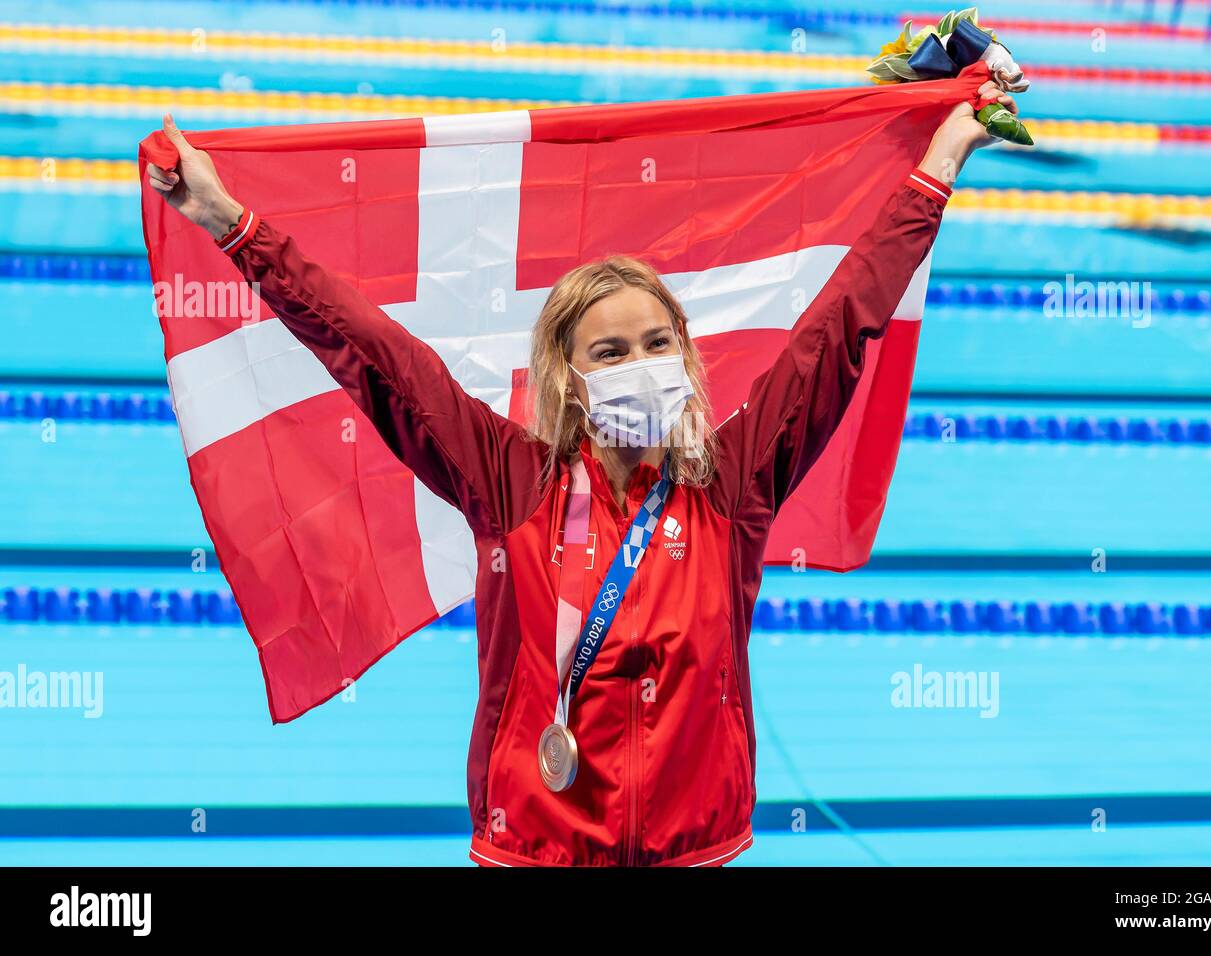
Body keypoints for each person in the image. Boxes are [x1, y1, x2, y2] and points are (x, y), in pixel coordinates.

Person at [146, 81, 1018, 867]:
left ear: (685, 354)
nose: (640, 364)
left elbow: (846, 319)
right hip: (535, 849)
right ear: (569, 375)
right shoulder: (508, 479)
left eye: (656, 343)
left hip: (694, 850)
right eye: (610, 350)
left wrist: (939, 162)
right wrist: (233, 223)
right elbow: (375, 355)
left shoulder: (732, 483)